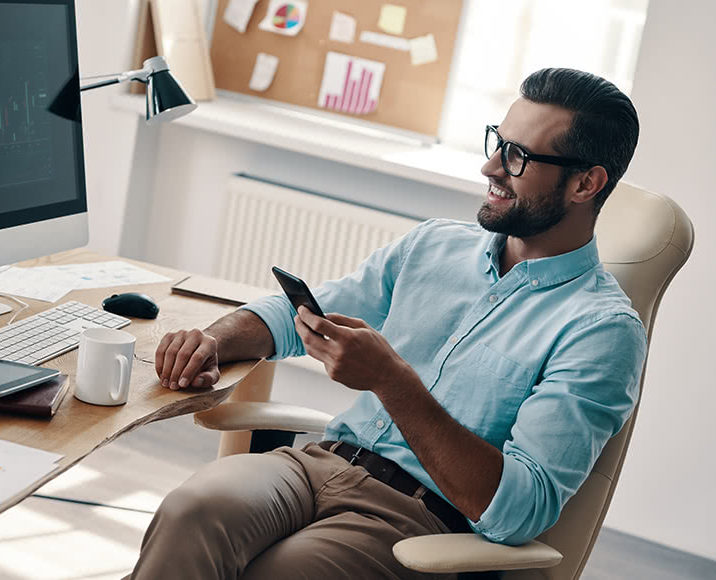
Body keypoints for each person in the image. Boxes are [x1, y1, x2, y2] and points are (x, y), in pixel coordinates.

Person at [124, 68, 646, 580]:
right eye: (497, 142)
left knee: (283, 572)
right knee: (191, 509)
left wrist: (392, 380)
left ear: (585, 183)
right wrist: (212, 340)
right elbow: (303, 315)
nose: (491, 167)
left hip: (420, 520)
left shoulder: (600, 330)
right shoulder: (434, 245)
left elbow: (517, 510)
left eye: (518, 156)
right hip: (319, 466)